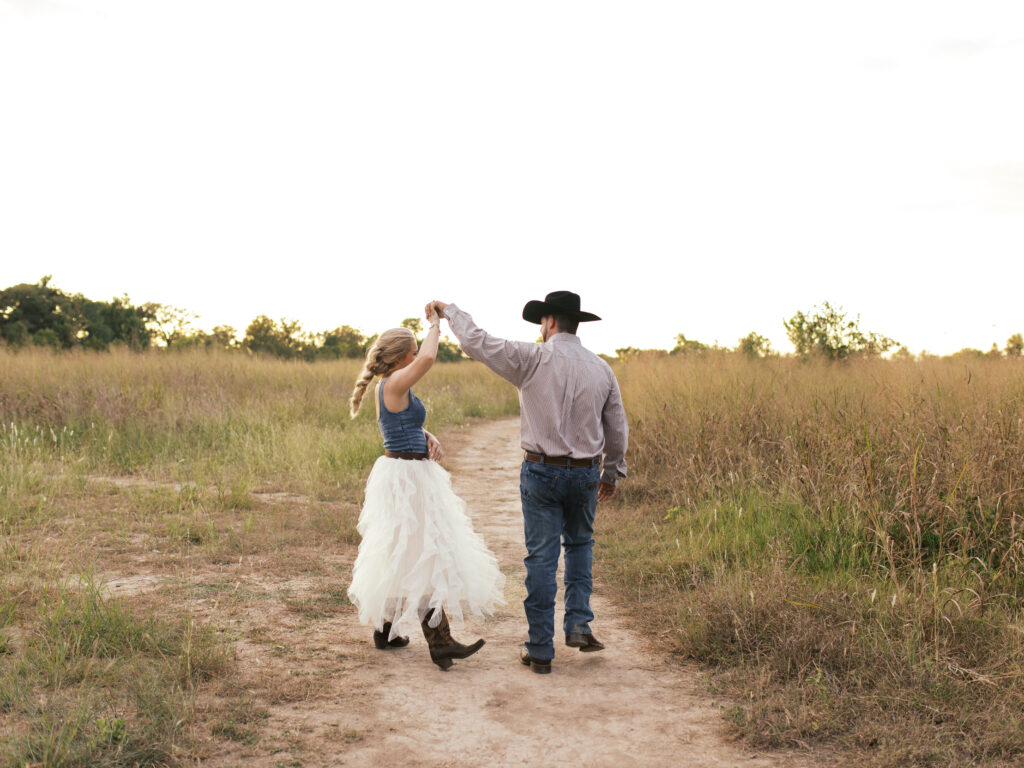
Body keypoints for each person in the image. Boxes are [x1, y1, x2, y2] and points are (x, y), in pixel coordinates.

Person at [429, 291, 628, 675]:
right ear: (574, 323)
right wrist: (611, 473)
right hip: (586, 473)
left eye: (542, 322)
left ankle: (540, 649)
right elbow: (617, 428)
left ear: (550, 322)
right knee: (581, 544)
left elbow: (477, 342)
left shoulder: (531, 358)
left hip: (541, 471)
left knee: (541, 557)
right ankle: (579, 625)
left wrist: (448, 311)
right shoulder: (602, 369)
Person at [346, 306, 505, 671]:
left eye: (417, 350)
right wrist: (436, 323)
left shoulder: (395, 386)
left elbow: (397, 423)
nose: (417, 356)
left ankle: (386, 632)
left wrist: (426, 436)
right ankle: (440, 641)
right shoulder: (397, 381)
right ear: (402, 356)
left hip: (407, 471)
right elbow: (431, 356)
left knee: (405, 551)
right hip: (406, 478)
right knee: (423, 552)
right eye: (413, 351)